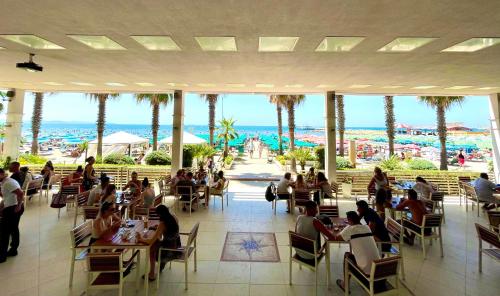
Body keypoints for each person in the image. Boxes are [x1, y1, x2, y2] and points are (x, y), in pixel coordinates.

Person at [335, 211, 383, 292]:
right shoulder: (367, 227)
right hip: (378, 272)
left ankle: (345, 285)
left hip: (368, 276)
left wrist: (345, 228)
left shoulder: (350, 229)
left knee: (347, 256)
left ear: (349, 220)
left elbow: (337, 238)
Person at [136, 205, 180, 280]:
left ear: (160, 214)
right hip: (176, 245)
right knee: (157, 242)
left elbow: (150, 241)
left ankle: (152, 274)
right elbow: (170, 229)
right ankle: (162, 263)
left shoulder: (162, 224)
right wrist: (159, 228)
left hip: (168, 251)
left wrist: (140, 239)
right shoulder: (173, 217)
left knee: (152, 247)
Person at [0, 168, 25, 262]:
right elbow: (7, 197)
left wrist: (18, 206)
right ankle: (13, 250)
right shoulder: (5, 182)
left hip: (13, 208)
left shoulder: (8, 182)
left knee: (4, 232)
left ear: (2, 174)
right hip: (11, 207)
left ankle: (2, 256)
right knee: (14, 229)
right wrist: (2, 206)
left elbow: (20, 193)